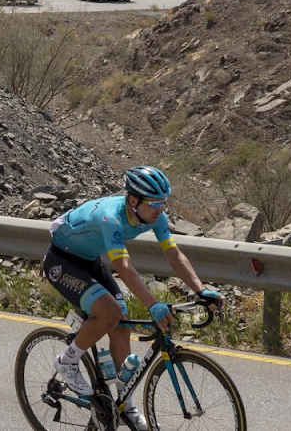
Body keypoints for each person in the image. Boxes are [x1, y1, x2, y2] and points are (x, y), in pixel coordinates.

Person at [44, 166, 222, 431]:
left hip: (90, 260)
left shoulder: (156, 217)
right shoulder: (111, 218)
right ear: (133, 200)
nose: (161, 209)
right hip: (62, 261)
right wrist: (153, 305)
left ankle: (125, 405)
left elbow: (174, 255)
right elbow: (124, 268)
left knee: (121, 323)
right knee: (110, 312)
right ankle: (67, 360)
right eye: (155, 203)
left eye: (164, 203)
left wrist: (201, 290)